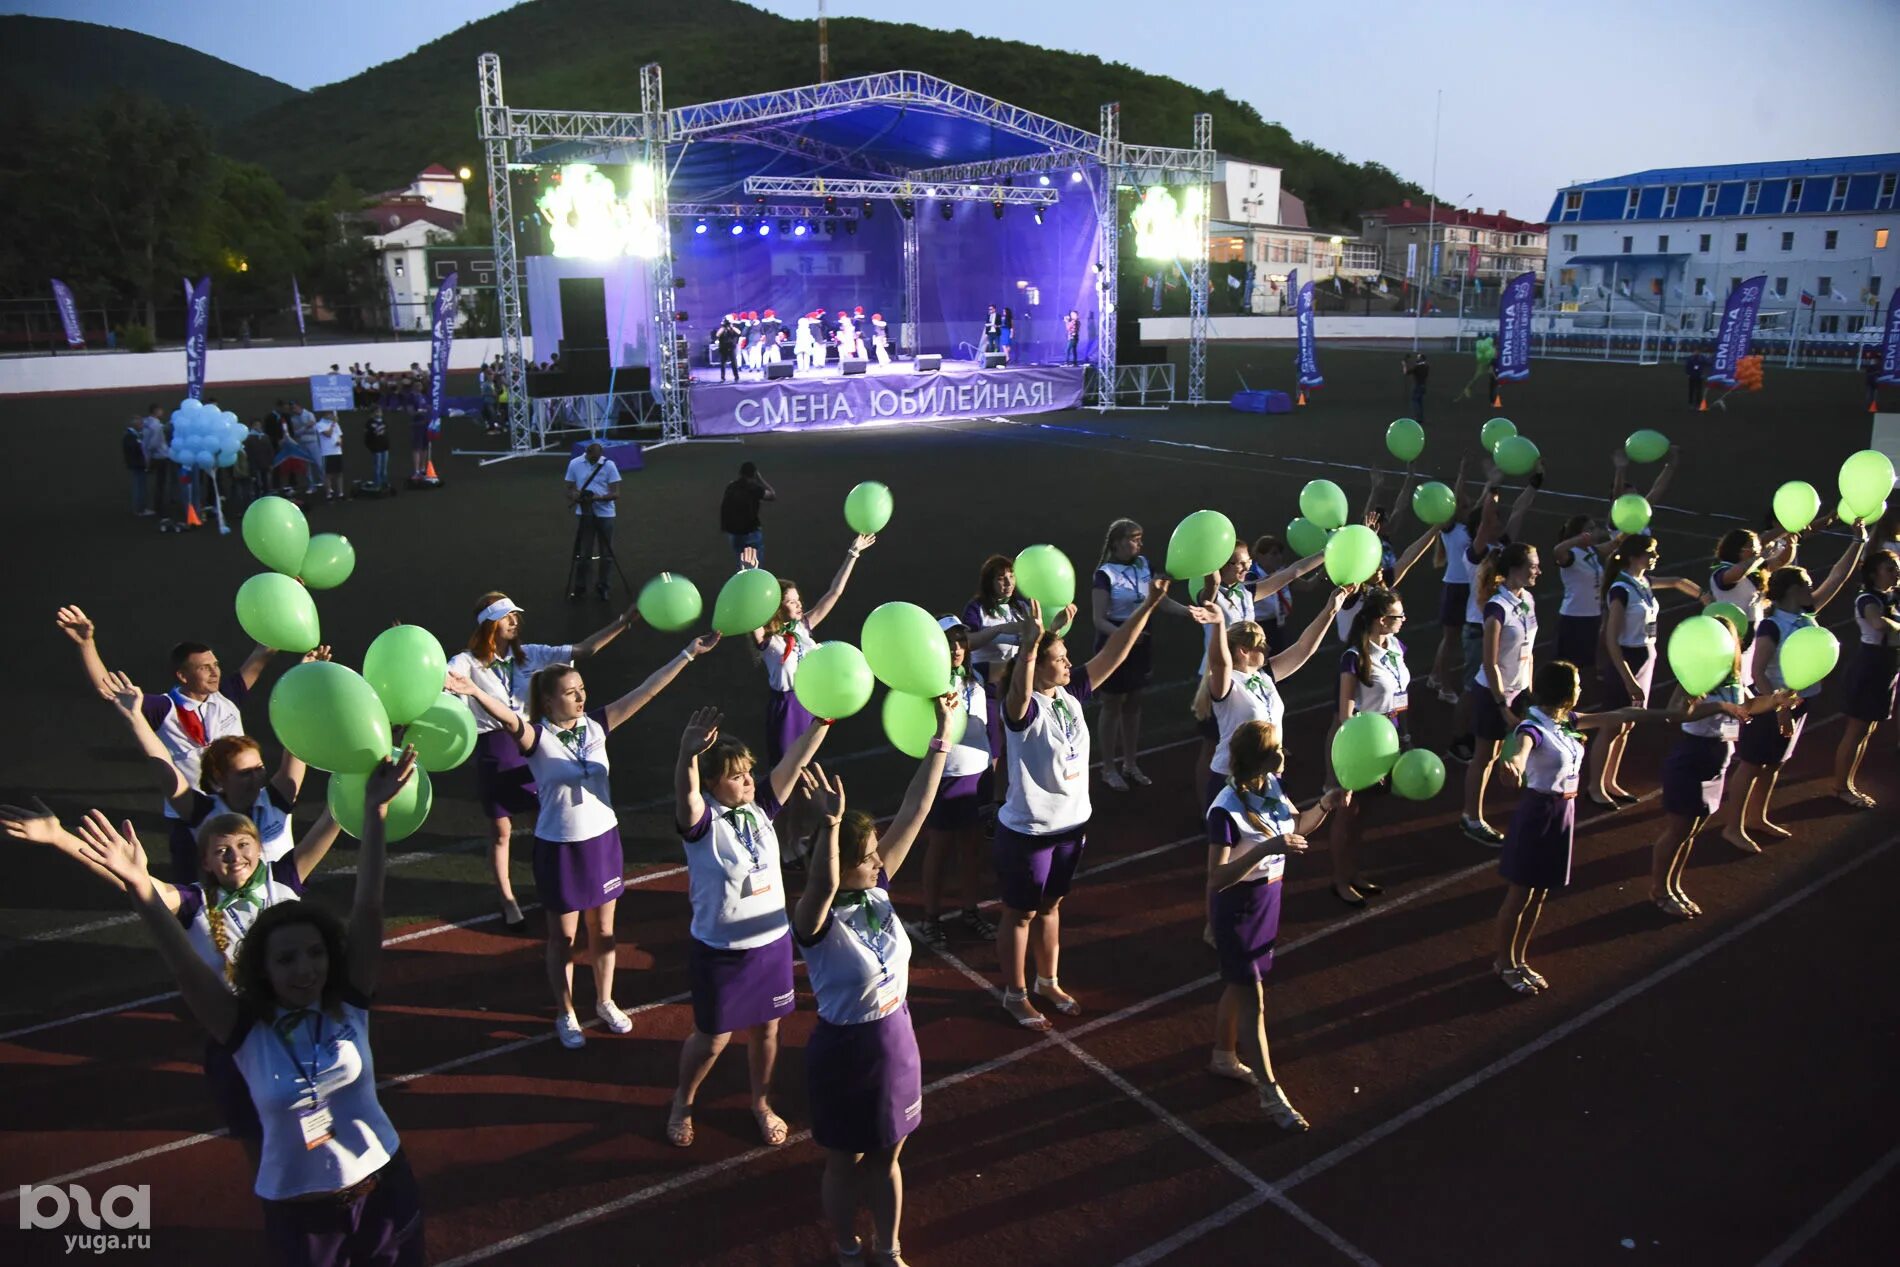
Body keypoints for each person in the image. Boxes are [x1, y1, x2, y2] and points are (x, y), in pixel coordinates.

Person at [74, 751, 425, 1266]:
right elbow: (183, 965)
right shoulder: (243, 1031)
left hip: (387, 1192)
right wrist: (137, 885)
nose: (304, 969)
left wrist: (373, 813)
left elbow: (367, 906)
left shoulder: (348, 1005)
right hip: (302, 1221)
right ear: (264, 969)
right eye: (287, 959)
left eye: (314, 953)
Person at [2, 800, 342, 1158]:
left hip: (304, 1029)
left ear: (259, 847)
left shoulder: (284, 878)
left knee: (321, 1137)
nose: (235, 856)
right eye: (221, 850)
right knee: (263, 1147)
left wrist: (358, 789)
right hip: (240, 1041)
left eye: (244, 845)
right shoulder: (193, 902)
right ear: (206, 862)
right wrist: (59, 837)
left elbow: (331, 821)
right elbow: (137, 883)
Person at [447, 630, 719, 1048]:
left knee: (605, 930)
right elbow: (506, 717)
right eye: (570, 693)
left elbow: (645, 691)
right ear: (550, 701)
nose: (580, 697)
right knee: (564, 938)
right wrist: (472, 691)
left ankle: (606, 1001)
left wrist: (688, 653)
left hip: (603, 841)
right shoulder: (536, 738)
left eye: (581, 690)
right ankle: (566, 1012)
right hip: (560, 849)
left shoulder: (597, 726)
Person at [794, 705, 954, 1267]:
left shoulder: (878, 886)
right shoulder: (816, 917)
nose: (877, 859)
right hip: (846, 1050)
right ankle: (845, 1245)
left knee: (887, 1159)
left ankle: (888, 1249)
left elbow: (916, 808)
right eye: (865, 857)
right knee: (843, 1160)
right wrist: (832, 828)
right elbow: (823, 880)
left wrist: (939, 741)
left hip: (896, 1042)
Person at [995, 583, 1181, 1030]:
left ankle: (1048, 981)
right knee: (1020, 913)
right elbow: (1019, 693)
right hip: (1030, 831)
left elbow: (1115, 652)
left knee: (1052, 907)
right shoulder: (1024, 709)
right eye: (1057, 659)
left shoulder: (1071, 692)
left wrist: (1149, 605)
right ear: (1036, 666)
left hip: (1072, 826)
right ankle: (1014, 994)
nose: (1067, 663)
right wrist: (1029, 645)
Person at [666, 705, 832, 1149]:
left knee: (768, 1030)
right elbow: (686, 795)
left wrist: (822, 721)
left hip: (771, 945)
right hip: (721, 951)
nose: (746, 781)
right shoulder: (702, 823)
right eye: (736, 775)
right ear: (713, 782)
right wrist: (687, 756)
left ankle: (761, 1102)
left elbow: (793, 763)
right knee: (714, 1038)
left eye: (747, 773)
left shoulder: (761, 807)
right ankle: (683, 1100)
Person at [444, 593, 643, 930]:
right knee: (501, 831)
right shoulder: (467, 662)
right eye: (506, 617)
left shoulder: (532, 654)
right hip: (496, 750)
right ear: (489, 625)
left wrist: (623, 623)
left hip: (538, 746)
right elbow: (444, 680)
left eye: (515, 616)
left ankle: (555, 886)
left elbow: (583, 651)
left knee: (551, 818)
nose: (514, 621)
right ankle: (508, 901)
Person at [1493, 662, 1679, 991]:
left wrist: (1672, 715)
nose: (1581, 689)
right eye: (1577, 684)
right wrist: (1514, 767)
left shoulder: (1568, 721)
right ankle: (1504, 963)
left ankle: (1519, 959)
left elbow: (1622, 715)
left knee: (1539, 894)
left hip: (1564, 810)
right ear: (1565, 691)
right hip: (1540, 813)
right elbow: (1522, 752)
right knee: (1521, 893)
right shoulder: (1534, 727)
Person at [1205, 720, 1346, 1128]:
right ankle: (1271, 1094)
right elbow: (1217, 878)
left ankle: (1222, 1055)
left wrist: (1325, 805)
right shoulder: (1225, 808)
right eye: (1276, 749)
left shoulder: (1273, 786)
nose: (1284, 754)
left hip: (1269, 902)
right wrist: (1266, 848)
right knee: (1254, 999)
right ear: (1258, 757)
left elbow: (1297, 828)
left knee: (1239, 985)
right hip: (1239, 909)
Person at [1718, 532, 1867, 850]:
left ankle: (1757, 817)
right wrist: (1780, 709)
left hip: (1799, 702)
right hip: (1771, 704)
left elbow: (1838, 578)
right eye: (1806, 585)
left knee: (1775, 763)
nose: (1812, 589)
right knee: (1752, 762)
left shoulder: (1805, 615)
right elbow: (1757, 672)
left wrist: (1858, 540)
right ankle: (1733, 827)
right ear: (1791, 591)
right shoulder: (1773, 625)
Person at [748, 536, 876, 858]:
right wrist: (750, 579)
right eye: (791, 601)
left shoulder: (803, 628)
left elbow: (834, 593)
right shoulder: (771, 641)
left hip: (809, 706)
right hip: (787, 710)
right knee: (785, 782)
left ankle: (794, 838)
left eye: (798, 599)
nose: (799, 604)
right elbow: (753, 624)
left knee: (802, 779)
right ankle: (779, 842)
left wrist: (853, 554)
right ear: (778, 607)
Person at [914, 614, 1024, 948]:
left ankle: (970, 910)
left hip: (979, 774)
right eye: (950, 642)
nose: (958, 648)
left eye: (961, 641)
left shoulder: (974, 675)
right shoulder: (929, 684)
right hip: (947, 776)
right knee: (941, 849)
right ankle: (931, 918)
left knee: (972, 849)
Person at [1090, 518, 1218, 791]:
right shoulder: (1105, 574)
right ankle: (1108, 768)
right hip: (1114, 646)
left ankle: (1130, 763)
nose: (1139, 543)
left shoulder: (1145, 566)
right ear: (1117, 542)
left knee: (1134, 703)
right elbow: (1099, 619)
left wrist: (1189, 611)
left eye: (1140, 538)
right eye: (1134, 538)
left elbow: (1160, 601)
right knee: (1112, 706)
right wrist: (1124, 637)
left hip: (1141, 645)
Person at [1589, 535, 1700, 805]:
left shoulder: (1644, 582)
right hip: (1628, 659)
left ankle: (1610, 781)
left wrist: (1705, 596)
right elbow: (1612, 639)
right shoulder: (1621, 589)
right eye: (1650, 553)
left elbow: (1676, 581)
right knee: (1613, 724)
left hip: (1646, 657)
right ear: (1633, 556)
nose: (1655, 557)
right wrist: (1627, 678)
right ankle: (1594, 787)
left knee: (1628, 725)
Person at [1327, 588, 1413, 905]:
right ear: (1381, 620)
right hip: (1364, 743)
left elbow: (1402, 697)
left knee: (1363, 815)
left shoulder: (1396, 648)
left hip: (1389, 740)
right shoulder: (1355, 657)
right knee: (1348, 814)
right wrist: (1346, 757)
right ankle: (1339, 879)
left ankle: (1353, 872)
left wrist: (1406, 736)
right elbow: (1345, 711)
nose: (1403, 620)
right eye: (1398, 616)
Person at [1461, 543, 1541, 844]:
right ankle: (1471, 817)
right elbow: (1490, 662)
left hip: (1519, 692)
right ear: (1516, 569)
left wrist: (1528, 691)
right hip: (1493, 693)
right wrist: (1502, 704)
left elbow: (1529, 652)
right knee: (1485, 756)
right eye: (1534, 565)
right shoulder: (1497, 607)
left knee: (1508, 754)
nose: (1538, 570)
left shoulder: (1528, 600)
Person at [1831, 550, 1900, 806]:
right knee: (1856, 729)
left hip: (1887, 668)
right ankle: (1841, 787)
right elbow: (1878, 623)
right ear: (1874, 573)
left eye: (1896, 568)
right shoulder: (1867, 598)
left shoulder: (1892, 596)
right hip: (1871, 667)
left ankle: (1847, 783)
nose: (1896, 572)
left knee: (1866, 731)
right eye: (1890, 569)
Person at [565, 442, 622, 601]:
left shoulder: (609, 466)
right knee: (584, 554)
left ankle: (603, 586)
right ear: (587, 453)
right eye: (592, 458)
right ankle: (580, 587)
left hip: (606, 514)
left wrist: (598, 498)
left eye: (597, 458)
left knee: (606, 554)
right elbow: (569, 488)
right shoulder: (575, 464)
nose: (595, 460)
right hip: (584, 513)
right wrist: (575, 495)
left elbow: (616, 493)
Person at [720, 461, 776, 564]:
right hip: (750, 533)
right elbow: (772, 495)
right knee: (754, 567)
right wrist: (760, 480)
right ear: (754, 474)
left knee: (741, 565)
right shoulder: (755, 488)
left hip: (734, 533)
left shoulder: (731, 486)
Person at [141, 404, 174, 526]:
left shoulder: (146, 423)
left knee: (157, 482)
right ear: (156, 411)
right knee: (162, 482)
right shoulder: (156, 425)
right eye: (160, 410)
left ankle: (156, 505)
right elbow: (155, 442)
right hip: (161, 456)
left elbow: (146, 442)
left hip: (153, 457)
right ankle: (160, 507)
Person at [123, 415, 150, 516]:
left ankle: (139, 508)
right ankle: (140, 509)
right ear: (136, 424)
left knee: (139, 486)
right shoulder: (130, 436)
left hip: (136, 464)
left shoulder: (131, 435)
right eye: (141, 423)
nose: (142, 425)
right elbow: (134, 449)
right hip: (137, 464)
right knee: (140, 487)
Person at [316, 411, 345, 501]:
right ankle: (328, 494)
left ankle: (341, 493)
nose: (333, 416)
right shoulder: (319, 424)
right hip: (327, 452)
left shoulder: (336, 424)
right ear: (326, 414)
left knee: (339, 473)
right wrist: (333, 423)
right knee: (328, 474)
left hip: (337, 452)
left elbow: (339, 436)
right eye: (331, 414)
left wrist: (340, 442)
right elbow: (328, 434)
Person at [362, 408, 391, 490]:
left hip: (384, 447)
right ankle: (377, 484)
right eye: (377, 412)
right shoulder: (369, 423)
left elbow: (386, 434)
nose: (379, 413)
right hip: (376, 448)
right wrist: (371, 447)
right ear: (373, 413)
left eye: (380, 412)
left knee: (384, 467)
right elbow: (367, 437)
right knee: (377, 467)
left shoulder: (384, 422)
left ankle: (384, 483)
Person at [1401, 352, 1429, 423]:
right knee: (1420, 402)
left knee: (1415, 401)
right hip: (1423, 386)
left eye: (1418, 357)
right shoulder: (1426, 366)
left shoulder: (1417, 367)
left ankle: (1418, 417)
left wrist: (1404, 364)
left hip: (1417, 386)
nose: (1417, 358)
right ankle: (1421, 418)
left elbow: (1406, 372)